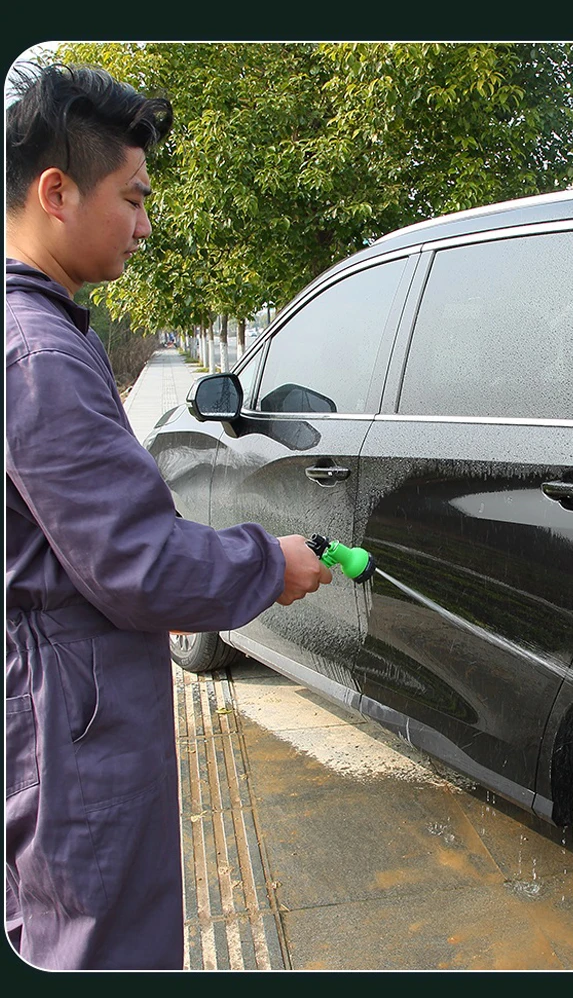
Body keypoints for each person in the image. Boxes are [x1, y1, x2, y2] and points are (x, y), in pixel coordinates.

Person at [5, 62, 332, 971]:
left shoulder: (43, 333)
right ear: (57, 191)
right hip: (73, 716)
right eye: (135, 197)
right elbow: (139, 564)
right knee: (100, 943)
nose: (147, 225)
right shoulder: (38, 355)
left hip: (55, 693)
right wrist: (270, 562)